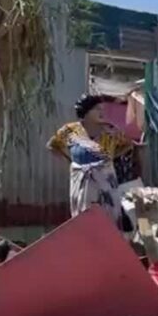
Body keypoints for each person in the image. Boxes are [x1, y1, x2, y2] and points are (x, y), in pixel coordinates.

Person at [47, 94, 134, 231]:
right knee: (83, 214)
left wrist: (110, 159)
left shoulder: (109, 130)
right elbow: (53, 146)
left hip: (105, 178)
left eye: (102, 109)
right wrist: (71, 162)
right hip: (81, 178)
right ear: (86, 112)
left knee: (109, 214)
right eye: (96, 109)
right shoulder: (70, 131)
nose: (101, 112)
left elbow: (128, 145)